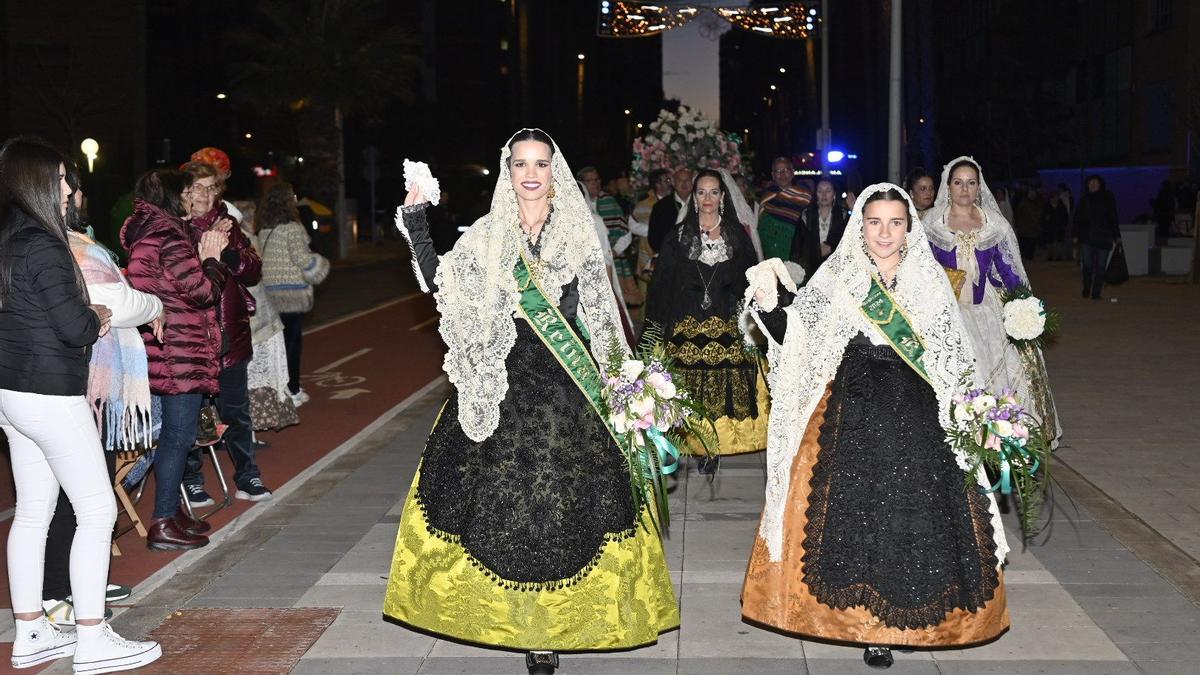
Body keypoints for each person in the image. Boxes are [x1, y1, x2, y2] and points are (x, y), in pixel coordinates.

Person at [386, 129, 678, 675]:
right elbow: (438, 281)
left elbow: (601, 322)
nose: (530, 173)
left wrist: (628, 388)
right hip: (505, 388)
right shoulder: (486, 236)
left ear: (554, 171)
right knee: (508, 510)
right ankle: (520, 625)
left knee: (566, 510)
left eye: (540, 163)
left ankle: (553, 632)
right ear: (508, 171)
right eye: (520, 163)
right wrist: (417, 220)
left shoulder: (579, 236)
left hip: (571, 393)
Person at [741, 184, 1010, 669]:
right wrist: (767, 305)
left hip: (916, 410)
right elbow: (799, 334)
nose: (884, 233)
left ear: (909, 227)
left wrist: (975, 412)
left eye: (895, 222)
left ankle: (911, 616)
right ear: (860, 226)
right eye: (874, 222)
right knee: (855, 512)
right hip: (853, 405)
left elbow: (951, 357)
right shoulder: (840, 274)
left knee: (910, 512)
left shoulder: (928, 278)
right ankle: (869, 628)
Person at [0, 137, 162, 672]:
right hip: (49, 392)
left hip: (11, 392)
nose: (72, 188)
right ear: (42, 183)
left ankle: (31, 634)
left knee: (32, 512)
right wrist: (96, 314)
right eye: (65, 179)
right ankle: (93, 639)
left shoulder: (7, 238)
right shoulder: (46, 244)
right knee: (98, 510)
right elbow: (73, 329)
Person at [41, 163, 160, 626]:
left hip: (87, 384)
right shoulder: (70, 247)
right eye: (68, 185)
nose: (76, 192)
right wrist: (156, 305)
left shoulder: (74, 242)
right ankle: (58, 592)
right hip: (82, 384)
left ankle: (78, 579)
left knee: (85, 492)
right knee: (76, 497)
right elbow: (121, 304)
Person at [923, 156, 1062, 447]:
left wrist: (1022, 305)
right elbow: (922, 271)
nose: (964, 189)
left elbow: (1008, 269)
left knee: (1001, 373)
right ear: (948, 187)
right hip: (948, 309)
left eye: (971, 183)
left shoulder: (993, 224)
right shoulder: (932, 225)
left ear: (979, 187)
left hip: (986, 306)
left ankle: (998, 439)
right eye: (958, 183)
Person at [124, 168, 228, 550]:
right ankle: (163, 520)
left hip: (173, 347)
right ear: (170, 196)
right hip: (181, 351)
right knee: (178, 437)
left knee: (177, 436)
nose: (190, 198)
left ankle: (172, 512)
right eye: (185, 192)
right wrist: (213, 260)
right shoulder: (166, 235)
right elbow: (201, 292)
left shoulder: (154, 231)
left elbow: (149, 284)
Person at [644, 169, 767, 472]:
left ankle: (713, 446)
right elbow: (662, 286)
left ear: (723, 197)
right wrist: (655, 330)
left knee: (721, 382)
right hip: (686, 319)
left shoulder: (736, 235)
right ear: (694, 197)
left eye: (714, 192)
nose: (708, 198)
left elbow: (751, 281)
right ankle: (694, 442)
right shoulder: (678, 237)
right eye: (702, 192)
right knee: (689, 383)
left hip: (726, 317)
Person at [178, 160, 271, 505]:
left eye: (210, 187)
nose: (204, 194)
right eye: (196, 187)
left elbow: (253, 270)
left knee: (236, 411)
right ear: (183, 192)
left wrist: (228, 250)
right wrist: (203, 245)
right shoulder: (173, 227)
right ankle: (192, 479)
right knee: (192, 412)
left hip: (229, 330)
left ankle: (248, 477)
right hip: (190, 336)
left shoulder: (229, 226)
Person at [257, 183, 329, 408]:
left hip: (270, 291)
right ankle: (293, 389)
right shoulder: (292, 228)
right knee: (292, 342)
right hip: (292, 293)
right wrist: (321, 266)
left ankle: (280, 387)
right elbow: (302, 259)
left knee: (276, 342)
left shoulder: (264, 229)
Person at [579, 166, 642, 310]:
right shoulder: (576, 206)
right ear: (581, 183)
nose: (596, 183)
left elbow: (625, 232)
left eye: (597, 179)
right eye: (590, 180)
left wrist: (614, 252)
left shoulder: (609, 201)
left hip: (611, 260)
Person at [1073, 174, 1121, 300]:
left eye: (1095, 183)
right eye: (1090, 183)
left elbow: (1113, 217)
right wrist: (1075, 234)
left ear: (1100, 184)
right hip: (1087, 238)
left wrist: (1117, 236)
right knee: (1087, 265)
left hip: (1104, 238)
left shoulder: (1108, 198)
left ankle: (1096, 292)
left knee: (1100, 267)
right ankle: (1087, 286)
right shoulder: (1084, 200)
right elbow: (1077, 218)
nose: (1092, 185)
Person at [756, 157, 811, 260]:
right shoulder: (766, 197)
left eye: (786, 170)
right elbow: (760, 227)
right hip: (771, 255)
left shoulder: (805, 196)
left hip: (798, 253)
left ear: (792, 172)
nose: (782, 174)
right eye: (778, 171)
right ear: (773, 175)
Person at [796, 178, 849, 279]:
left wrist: (831, 248)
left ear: (834, 194)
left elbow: (849, 243)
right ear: (815, 194)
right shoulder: (806, 215)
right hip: (810, 269)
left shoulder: (843, 215)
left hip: (836, 271)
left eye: (828, 191)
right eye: (820, 191)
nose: (824, 195)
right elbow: (798, 244)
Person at [647, 167, 694, 254]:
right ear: (673, 183)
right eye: (680, 181)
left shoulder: (701, 204)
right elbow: (653, 238)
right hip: (669, 258)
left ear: (693, 183)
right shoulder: (661, 206)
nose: (684, 185)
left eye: (687, 181)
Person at [1014, 187, 1043, 260]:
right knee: (1025, 244)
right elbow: (1019, 215)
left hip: (1034, 229)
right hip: (1025, 229)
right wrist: (1021, 225)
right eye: (1031, 194)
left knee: (1032, 245)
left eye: (1034, 194)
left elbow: (1039, 214)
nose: (1033, 195)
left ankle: (1030, 257)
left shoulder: (1037, 203)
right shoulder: (1023, 202)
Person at [1041, 188, 1070, 261]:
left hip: (1059, 228)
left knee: (1059, 243)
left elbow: (1065, 217)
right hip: (1049, 228)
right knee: (1050, 243)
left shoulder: (1061, 206)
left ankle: (1059, 256)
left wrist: (1064, 225)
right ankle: (1050, 256)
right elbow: (1043, 217)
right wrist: (1045, 223)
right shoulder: (1046, 207)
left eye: (1056, 197)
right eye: (1053, 197)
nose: (1055, 199)